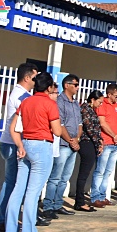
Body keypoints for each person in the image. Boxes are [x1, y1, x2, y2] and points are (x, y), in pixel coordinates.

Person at [4, 73, 61, 232]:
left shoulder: (25, 101)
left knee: (18, 189)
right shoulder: (50, 104)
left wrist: (20, 146)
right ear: (50, 87)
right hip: (42, 146)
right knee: (33, 193)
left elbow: (13, 128)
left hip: (25, 145)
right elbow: (57, 131)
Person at [0, 62, 37, 232]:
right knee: (12, 184)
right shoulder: (22, 96)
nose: (35, 81)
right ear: (27, 78)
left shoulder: (21, 94)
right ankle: (2, 220)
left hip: (11, 142)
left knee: (12, 183)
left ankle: (4, 219)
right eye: (34, 78)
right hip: (13, 143)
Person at [41, 74, 82, 219]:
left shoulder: (75, 103)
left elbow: (79, 124)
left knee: (65, 177)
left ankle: (58, 204)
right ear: (67, 85)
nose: (77, 87)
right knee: (55, 177)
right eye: (75, 84)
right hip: (64, 144)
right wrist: (71, 140)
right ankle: (48, 206)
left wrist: (77, 139)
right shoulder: (60, 101)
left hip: (73, 145)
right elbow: (60, 124)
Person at [92, 83, 117, 207]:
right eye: (116, 96)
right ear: (109, 94)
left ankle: (103, 196)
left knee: (108, 171)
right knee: (100, 170)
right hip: (106, 142)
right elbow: (103, 123)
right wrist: (113, 135)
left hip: (116, 143)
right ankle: (95, 197)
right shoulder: (102, 104)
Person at [73, 90, 103, 212]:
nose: (100, 105)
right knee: (83, 174)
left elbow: (96, 129)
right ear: (92, 99)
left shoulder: (92, 110)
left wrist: (99, 141)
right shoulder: (85, 109)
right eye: (99, 102)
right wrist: (98, 143)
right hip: (86, 142)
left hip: (92, 142)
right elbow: (89, 128)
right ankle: (79, 202)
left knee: (86, 173)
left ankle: (80, 201)